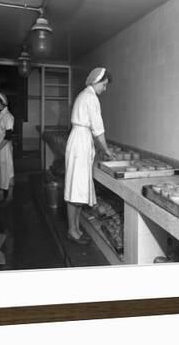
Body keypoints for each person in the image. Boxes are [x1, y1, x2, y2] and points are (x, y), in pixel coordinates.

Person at [64, 67, 115, 244]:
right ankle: (72, 230)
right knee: (75, 190)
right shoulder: (91, 97)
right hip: (80, 143)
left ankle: (76, 228)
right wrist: (106, 150)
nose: (105, 89)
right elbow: (98, 128)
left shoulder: (84, 95)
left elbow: (92, 129)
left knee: (78, 189)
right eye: (105, 84)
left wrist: (98, 147)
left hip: (79, 140)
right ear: (96, 81)